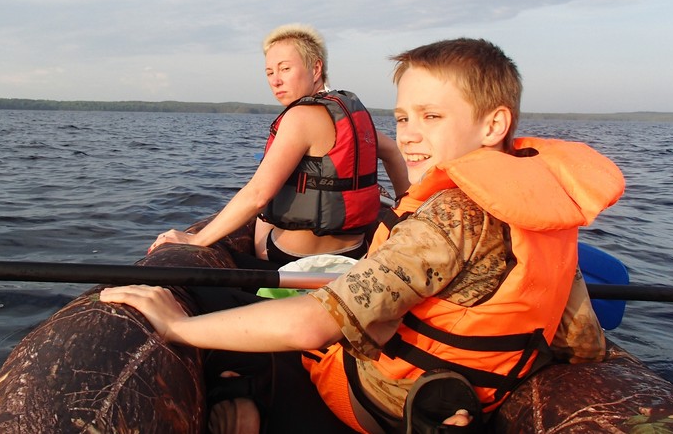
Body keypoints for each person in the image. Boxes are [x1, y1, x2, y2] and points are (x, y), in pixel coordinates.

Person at [102, 38, 624, 433]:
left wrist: (175, 327)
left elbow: (311, 326)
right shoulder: (545, 212)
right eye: (402, 116)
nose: (410, 132)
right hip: (469, 387)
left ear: (493, 126)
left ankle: (245, 404)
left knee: (223, 307)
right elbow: (581, 343)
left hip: (376, 399)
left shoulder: (448, 221)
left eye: (432, 116)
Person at [151, 24, 409, 265]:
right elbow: (393, 153)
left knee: (263, 214)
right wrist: (406, 212)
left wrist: (196, 240)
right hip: (353, 251)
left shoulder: (300, 116)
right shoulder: (346, 113)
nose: (275, 80)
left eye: (285, 69)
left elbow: (258, 195)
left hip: (295, 257)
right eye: (269, 72)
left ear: (316, 69)